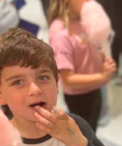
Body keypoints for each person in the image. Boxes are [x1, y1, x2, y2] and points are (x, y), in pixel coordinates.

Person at [48, 0, 116, 132]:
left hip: (95, 87)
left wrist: (102, 57)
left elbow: (92, 46)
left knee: (92, 129)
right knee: (84, 135)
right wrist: (101, 77)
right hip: (79, 97)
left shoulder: (84, 20)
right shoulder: (60, 34)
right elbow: (68, 79)